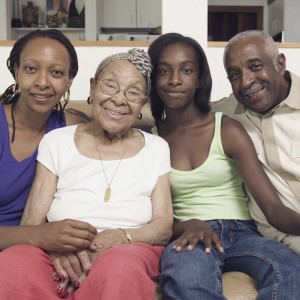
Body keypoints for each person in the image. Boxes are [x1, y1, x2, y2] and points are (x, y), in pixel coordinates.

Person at [0, 48, 173, 299]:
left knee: (119, 267)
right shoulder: (56, 141)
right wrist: (55, 248)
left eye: (133, 93)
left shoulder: (156, 147)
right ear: (92, 88)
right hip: (58, 251)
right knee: (14, 263)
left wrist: (122, 237)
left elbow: (163, 226)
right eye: (110, 86)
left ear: (142, 104)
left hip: (130, 249)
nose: (119, 99)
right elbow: (32, 224)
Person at [148, 32, 300, 299]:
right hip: (189, 235)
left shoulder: (227, 126)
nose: (174, 79)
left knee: (287, 268)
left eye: (186, 70)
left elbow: (273, 209)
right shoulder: (149, 141)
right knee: (187, 277)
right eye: (163, 71)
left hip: (243, 233)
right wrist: (187, 225)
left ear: (199, 79)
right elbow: (150, 217)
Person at [0, 29, 97, 252]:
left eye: (56, 72)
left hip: (38, 254)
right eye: (31, 69)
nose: (42, 82)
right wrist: (37, 235)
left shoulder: (74, 127)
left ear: (69, 81)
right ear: (16, 71)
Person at [212, 30, 300, 255]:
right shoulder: (226, 114)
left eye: (255, 66)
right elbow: (177, 115)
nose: (247, 81)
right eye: (234, 74)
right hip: (279, 237)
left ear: (280, 64)